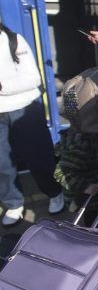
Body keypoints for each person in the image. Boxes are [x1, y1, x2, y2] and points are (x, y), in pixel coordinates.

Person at [0, 22, 65, 226]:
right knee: (2, 163)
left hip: (24, 109)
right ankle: (13, 203)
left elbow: (33, 78)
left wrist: (3, 86)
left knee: (38, 158)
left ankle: (54, 193)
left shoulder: (13, 40)